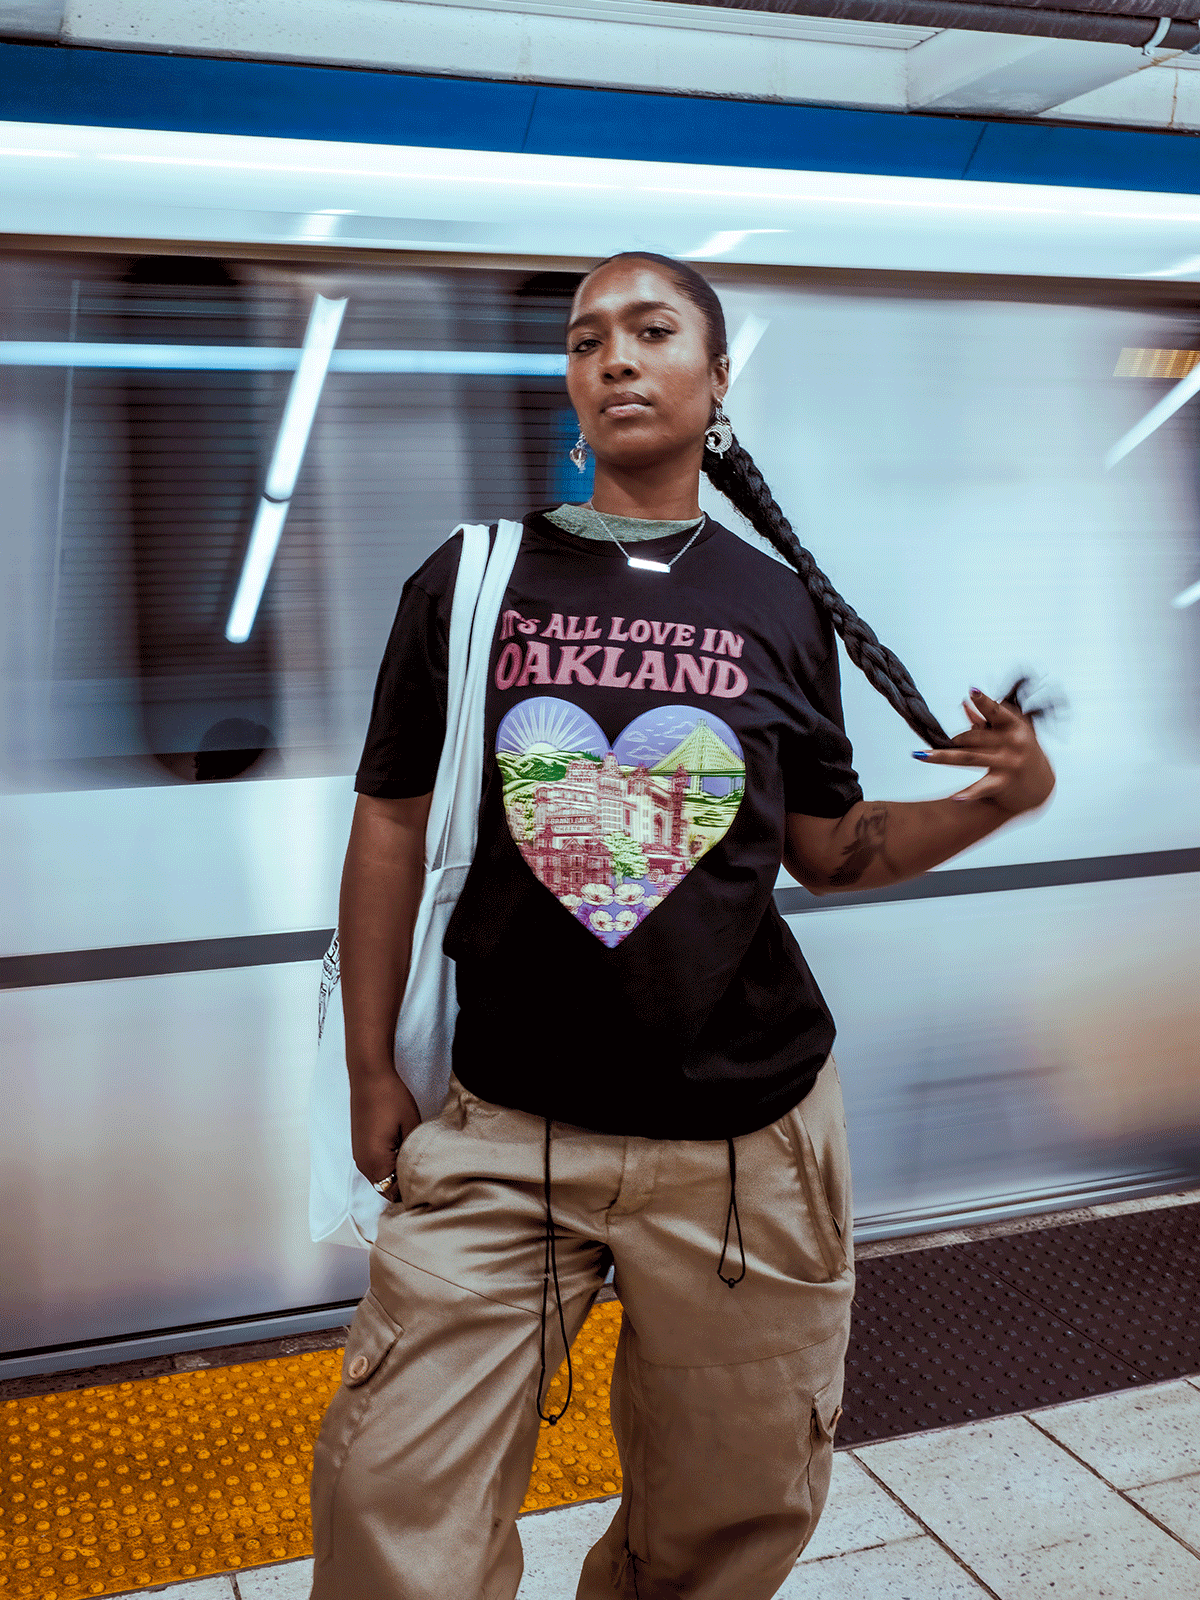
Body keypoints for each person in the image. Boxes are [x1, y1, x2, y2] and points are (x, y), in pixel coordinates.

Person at [308, 252, 1056, 1600]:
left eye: (653, 332)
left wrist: (1005, 803)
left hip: (745, 1143)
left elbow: (832, 849)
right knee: (387, 1492)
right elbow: (389, 827)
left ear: (716, 381)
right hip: (504, 1131)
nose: (617, 357)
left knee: (721, 1525)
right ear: (572, 386)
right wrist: (373, 1067)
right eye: (589, 338)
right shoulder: (473, 581)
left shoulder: (775, 605)